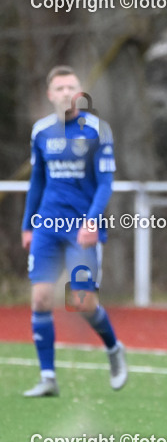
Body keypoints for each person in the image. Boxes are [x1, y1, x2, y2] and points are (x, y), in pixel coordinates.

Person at [20, 66, 127, 397]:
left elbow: (106, 183)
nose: (66, 92)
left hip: (82, 227)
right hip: (47, 226)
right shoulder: (41, 132)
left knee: (80, 302)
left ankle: (113, 348)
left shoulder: (97, 130)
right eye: (60, 88)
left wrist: (92, 221)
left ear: (79, 92)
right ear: (50, 94)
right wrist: (28, 224)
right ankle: (48, 377)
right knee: (40, 298)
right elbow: (37, 181)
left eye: (72, 87)